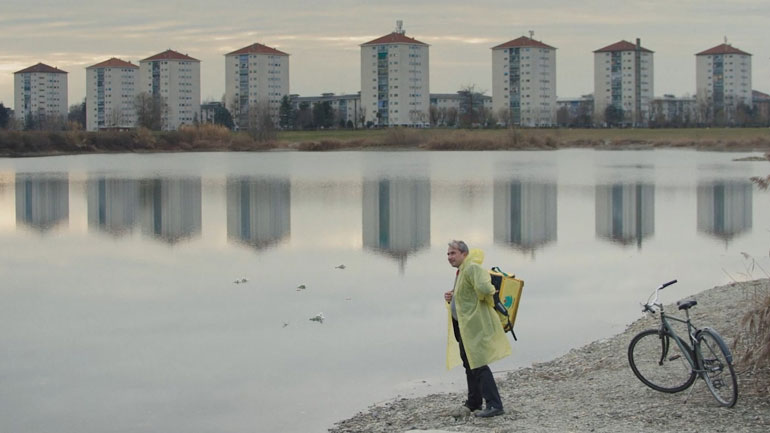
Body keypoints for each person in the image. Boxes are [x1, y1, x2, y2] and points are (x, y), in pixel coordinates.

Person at [444, 240, 511, 418]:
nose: (450, 257)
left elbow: (485, 288)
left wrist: (481, 294)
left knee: (479, 364)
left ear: (464, 254)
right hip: (462, 325)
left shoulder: (472, 268)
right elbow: (468, 292)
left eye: (453, 253)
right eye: (448, 254)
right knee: (469, 364)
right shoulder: (462, 271)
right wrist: (453, 295)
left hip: (473, 325)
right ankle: (474, 402)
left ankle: (495, 405)